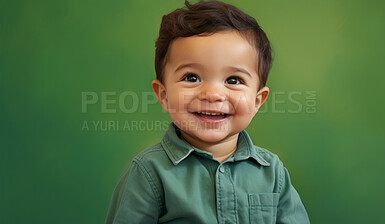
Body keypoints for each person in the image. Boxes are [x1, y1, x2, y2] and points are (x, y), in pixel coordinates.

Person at [105, 0, 310, 223]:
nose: (212, 94)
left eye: (234, 80)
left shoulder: (273, 173)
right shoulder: (148, 173)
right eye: (191, 77)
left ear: (257, 100)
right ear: (163, 95)